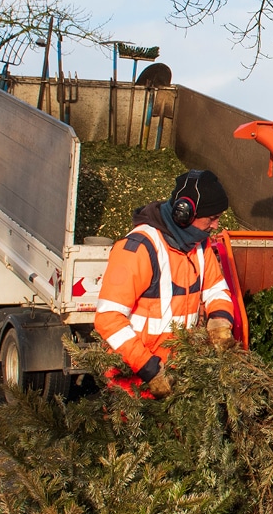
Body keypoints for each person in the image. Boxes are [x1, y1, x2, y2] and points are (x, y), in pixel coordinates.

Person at [94, 170, 236, 397]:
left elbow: (216, 288)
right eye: (212, 218)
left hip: (179, 377)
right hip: (134, 385)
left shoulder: (200, 245)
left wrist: (219, 320)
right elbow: (108, 318)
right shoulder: (138, 249)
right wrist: (149, 369)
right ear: (185, 213)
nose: (216, 225)